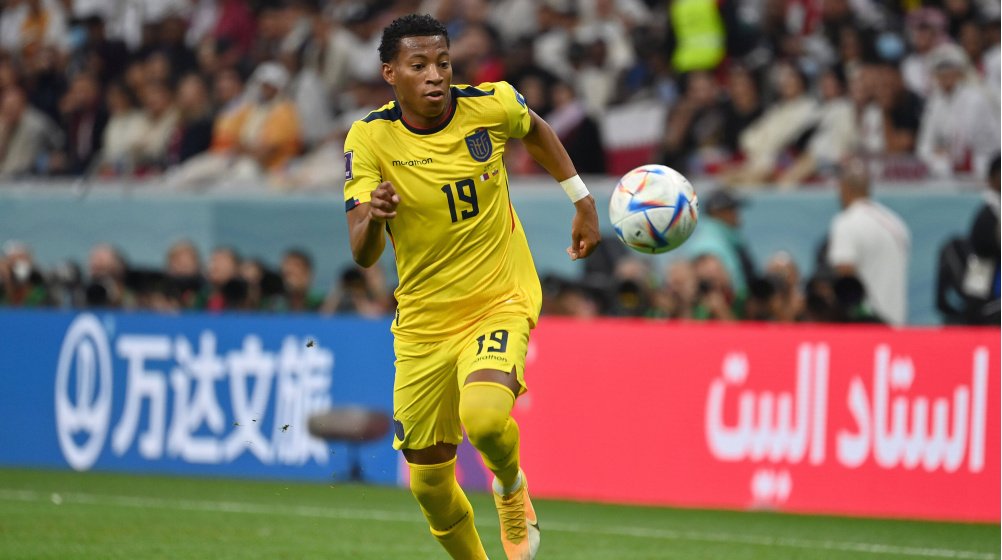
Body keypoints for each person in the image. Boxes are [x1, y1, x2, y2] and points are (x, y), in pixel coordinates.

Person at [342, 14, 600, 560]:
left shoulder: (491, 104)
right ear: (390, 73)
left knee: (484, 418)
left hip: (498, 299)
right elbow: (362, 253)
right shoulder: (369, 138)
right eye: (418, 66)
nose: (435, 75)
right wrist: (376, 217)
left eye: (443, 63)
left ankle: (510, 485)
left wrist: (580, 198)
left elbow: (536, 129)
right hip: (424, 323)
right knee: (429, 486)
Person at [826, 158, 911, 325]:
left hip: (866, 324)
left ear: (844, 189)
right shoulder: (896, 223)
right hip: (897, 322)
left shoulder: (846, 222)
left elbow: (846, 279)